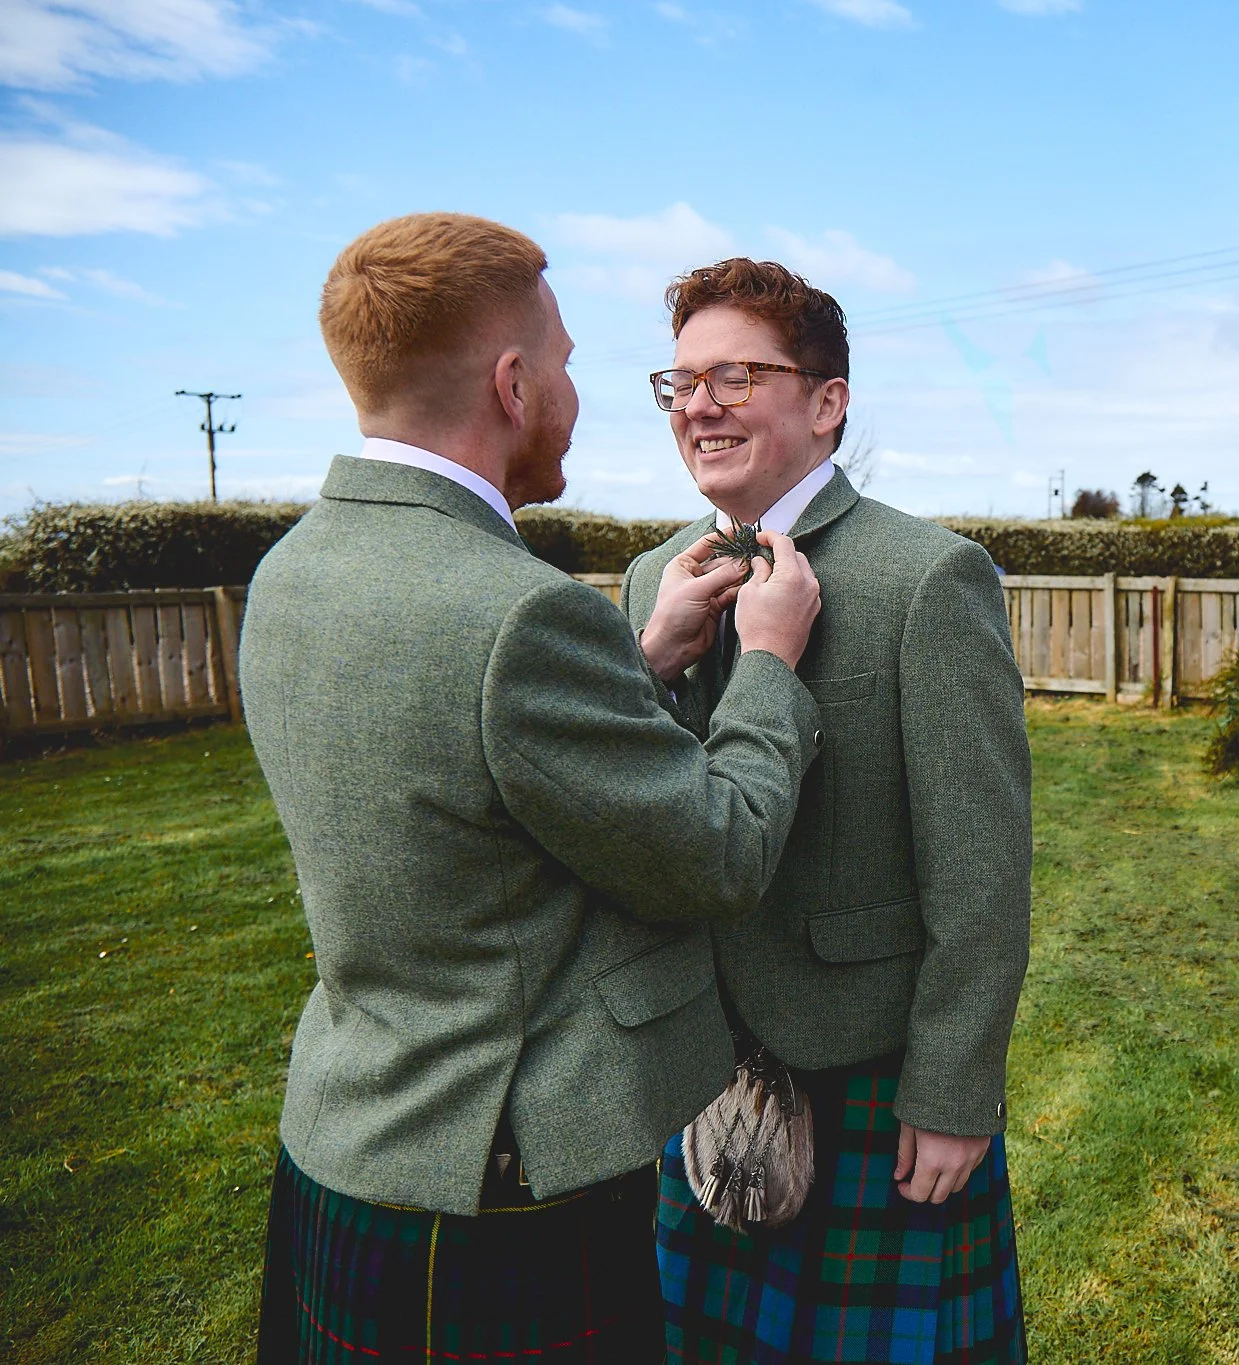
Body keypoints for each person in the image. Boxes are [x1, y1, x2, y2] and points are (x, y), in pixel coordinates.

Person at [243, 213, 825, 1362]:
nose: (575, 390)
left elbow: (466, 760)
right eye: (562, 362)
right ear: (512, 385)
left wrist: (638, 661)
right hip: (500, 1190)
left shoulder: (293, 570)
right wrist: (764, 666)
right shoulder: (516, 610)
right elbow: (718, 851)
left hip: (346, 1149)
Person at [617, 258, 1031, 1364]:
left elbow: (982, 870)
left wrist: (951, 1092)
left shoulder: (925, 579)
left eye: (736, 375)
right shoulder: (651, 576)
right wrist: (647, 661)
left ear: (827, 401)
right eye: (680, 381)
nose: (698, 404)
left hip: (869, 1087)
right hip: (696, 1075)